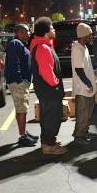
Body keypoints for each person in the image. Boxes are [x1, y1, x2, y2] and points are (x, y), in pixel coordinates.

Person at [30, 17, 67, 154]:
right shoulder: (43, 47)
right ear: (46, 32)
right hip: (49, 91)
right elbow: (46, 72)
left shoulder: (44, 45)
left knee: (48, 117)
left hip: (47, 91)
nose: (54, 30)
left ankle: (48, 141)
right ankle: (48, 146)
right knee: (51, 118)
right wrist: (56, 84)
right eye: (52, 28)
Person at [5, 24, 38, 147]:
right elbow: (14, 63)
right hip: (18, 82)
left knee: (21, 109)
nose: (29, 33)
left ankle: (23, 133)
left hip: (20, 81)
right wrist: (20, 80)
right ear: (20, 32)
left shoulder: (19, 43)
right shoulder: (15, 43)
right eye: (28, 31)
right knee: (22, 109)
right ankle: (22, 136)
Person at [71, 23, 97, 144]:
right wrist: (88, 84)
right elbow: (79, 69)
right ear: (83, 35)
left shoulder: (84, 47)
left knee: (88, 113)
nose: (91, 37)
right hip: (83, 88)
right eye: (89, 35)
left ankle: (85, 131)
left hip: (87, 87)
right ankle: (78, 136)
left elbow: (85, 67)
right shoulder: (77, 49)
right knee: (82, 114)